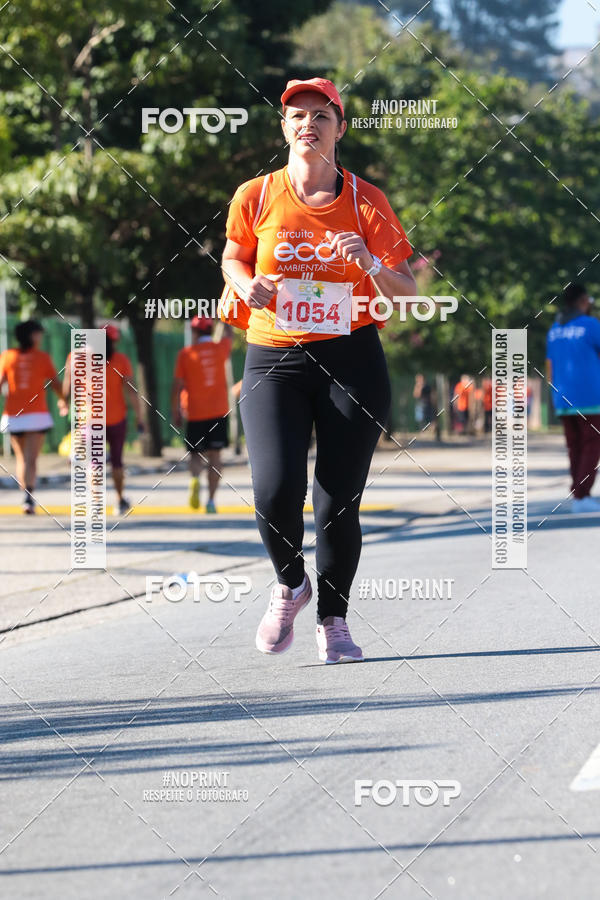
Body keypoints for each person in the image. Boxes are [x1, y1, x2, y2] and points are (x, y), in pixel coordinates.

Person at [221, 76, 417, 663]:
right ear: (283, 127)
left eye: (321, 115)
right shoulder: (255, 195)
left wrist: (371, 264)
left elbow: (406, 288)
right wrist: (244, 282)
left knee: (336, 502)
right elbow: (233, 256)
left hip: (350, 357)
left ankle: (334, 621)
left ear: (340, 127)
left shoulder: (366, 200)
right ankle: (291, 583)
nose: (308, 124)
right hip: (273, 356)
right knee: (273, 491)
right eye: (297, 115)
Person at [63, 324, 143, 515]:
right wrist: (140, 418)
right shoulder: (121, 360)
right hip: (116, 418)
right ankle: (119, 500)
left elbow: (67, 387)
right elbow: (132, 392)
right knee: (117, 462)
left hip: (90, 419)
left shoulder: (77, 357)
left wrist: (63, 403)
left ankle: (97, 502)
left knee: (94, 462)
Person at [0, 319, 67, 514]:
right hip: (37, 415)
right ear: (31, 335)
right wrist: (63, 400)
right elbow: (55, 383)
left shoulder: (7, 356)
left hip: (14, 415)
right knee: (31, 458)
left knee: (22, 458)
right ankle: (29, 496)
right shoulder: (42, 358)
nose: (40, 336)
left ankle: (26, 497)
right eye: (38, 333)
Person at [546, 283, 600, 513]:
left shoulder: (554, 329)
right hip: (590, 397)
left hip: (563, 398)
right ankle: (581, 495)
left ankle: (579, 495)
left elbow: (549, 365)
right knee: (591, 446)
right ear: (583, 301)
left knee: (575, 447)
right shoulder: (590, 325)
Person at [172, 316, 232, 513]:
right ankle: (212, 501)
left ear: (194, 332)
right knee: (215, 455)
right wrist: (223, 317)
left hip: (195, 412)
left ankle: (195, 479)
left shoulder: (186, 354)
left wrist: (176, 412)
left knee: (195, 454)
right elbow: (229, 333)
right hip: (219, 411)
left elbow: (177, 386)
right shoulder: (221, 348)